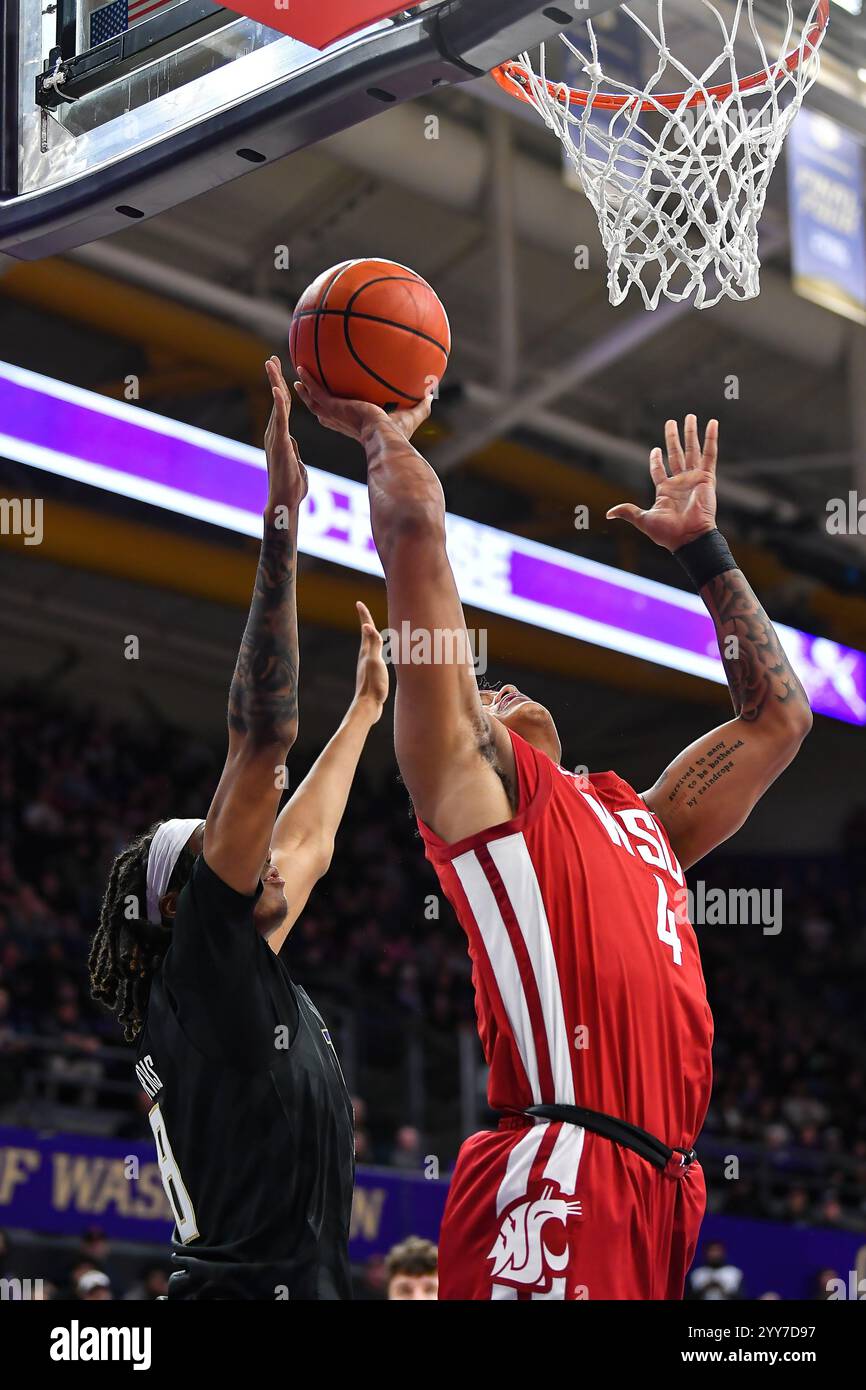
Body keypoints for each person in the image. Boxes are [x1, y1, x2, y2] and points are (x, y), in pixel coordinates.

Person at [295, 369, 812, 1302]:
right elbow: (415, 537)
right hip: (561, 1163)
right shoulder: (485, 806)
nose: (499, 690)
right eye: (483, 692)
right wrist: (383, 434)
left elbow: (779, 720)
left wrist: (704, 550)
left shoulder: (637, 818)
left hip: (663, 1185)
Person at [90, 359, 389, 1300]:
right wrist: (282, 522)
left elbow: (308, 845)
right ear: (184, 898)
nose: (259, 850)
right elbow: (261, 738)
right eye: (224, 845)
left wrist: (364, 719)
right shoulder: (200, 967)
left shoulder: (219, 982)